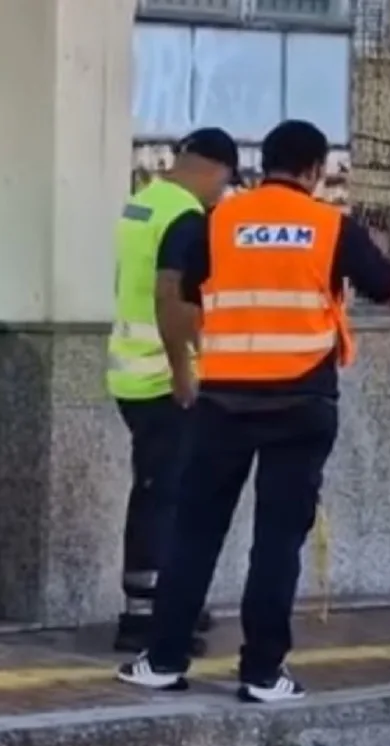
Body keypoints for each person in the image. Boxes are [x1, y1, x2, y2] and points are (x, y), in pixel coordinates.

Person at [117, 120, 390, 703]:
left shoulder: (219, 221)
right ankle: (261, 673)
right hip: (301, 403)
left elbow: (188, 293)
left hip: (222, 401)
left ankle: (164, 660)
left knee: (194, 532)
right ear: (315, 171)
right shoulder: (331, 225)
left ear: (262, 163)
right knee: (276, 542)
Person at [107, 128, 241, 654]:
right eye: (225, 183)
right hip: (165, 377)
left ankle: (169, 599)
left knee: (157, 490)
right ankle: (144, 616)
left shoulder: (142, 203)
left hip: (130, 371)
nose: (222, 195)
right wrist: (185, 373)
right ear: (215, 169)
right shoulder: (185, 217)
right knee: (164, 496)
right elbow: (173, 300)